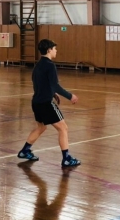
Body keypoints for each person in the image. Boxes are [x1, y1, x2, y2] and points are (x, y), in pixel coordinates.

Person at [17, 39, 81, 167]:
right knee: (63, 128)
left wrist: (52, 93)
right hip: (46, 104)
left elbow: (39, 83)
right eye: (54, 48)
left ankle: (25, 151)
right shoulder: (50, 65)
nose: (56, 51)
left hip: (36, 102)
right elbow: (55, 85)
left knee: (41, 127)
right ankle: (66, 158)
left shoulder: (38, 65)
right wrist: (70, 96)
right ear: (49, 50)